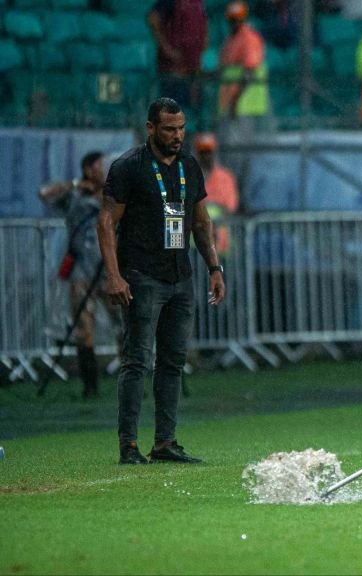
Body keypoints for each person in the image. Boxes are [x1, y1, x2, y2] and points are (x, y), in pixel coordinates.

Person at [98, 97, 226, 465]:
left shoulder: (188, 164)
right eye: (169, 129)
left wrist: (214, 269)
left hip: (180, 275)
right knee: (137, 360)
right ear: (150, 128)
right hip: (141, 275)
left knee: (172, 362)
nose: (177, 136)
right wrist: (114, 275)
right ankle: (128, 445)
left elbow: (201, 221)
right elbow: (106, 221)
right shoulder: (129, 167)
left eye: (181, 128)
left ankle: (165, 443)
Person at [38, 151, 122, 399]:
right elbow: (44, 194)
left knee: (123, 326)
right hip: (82, 273)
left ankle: (130, 382)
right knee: (84, 329)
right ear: (87, 169)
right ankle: (90, 385)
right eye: (99, 166)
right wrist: (76, 184)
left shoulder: (113, 196)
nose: (104, 169)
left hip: (110, 272)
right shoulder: (75, 196)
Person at [147, 0, 208, 115]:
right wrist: (167, 49)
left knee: (192, 113)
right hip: (173, 71)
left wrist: (202, 45)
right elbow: (152, 18)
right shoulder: (172, 2)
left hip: (193, 70)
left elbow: (204, 24)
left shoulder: (199, 4)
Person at [217, 2, 269, 134]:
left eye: (237, 19)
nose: (234, 22)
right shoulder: (230, 39)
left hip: (245, 104)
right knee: (230, 146)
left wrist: (236, 100)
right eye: (232, 19)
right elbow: (226, 69)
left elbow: (249, 72)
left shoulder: (249, 38)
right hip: (229, 103)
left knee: (243, 147)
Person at [193, 133, 239, 255]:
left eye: (209, 151)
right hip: (194, 248)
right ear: (197, 154)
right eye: (202, 152)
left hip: (221, 246)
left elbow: (230, 208)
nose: (206, 156)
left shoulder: (226, 177)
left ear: (214, 153)